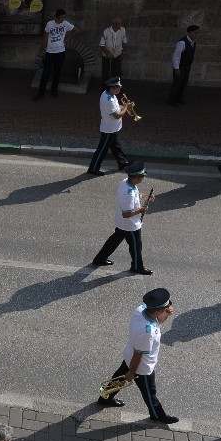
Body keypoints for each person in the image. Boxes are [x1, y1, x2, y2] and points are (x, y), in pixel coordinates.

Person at [97, 288, 179, 425]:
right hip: (142, 367)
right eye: (167, 306)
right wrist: (132, 372)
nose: (169, 307)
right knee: (149, 392)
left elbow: (156, 322)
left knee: (119, 377)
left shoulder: (140, 310)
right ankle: (157, 415)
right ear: (158, 311)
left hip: (129, 356)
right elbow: (139, 353)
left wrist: (166, 314)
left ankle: (105, 398)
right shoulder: (147, 332)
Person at [91, 161, 153, 275]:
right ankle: (136, 267)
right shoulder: (128, 192)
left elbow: (134, 195)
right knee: (136, 246)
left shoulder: (126, 182)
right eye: (142, 176)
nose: (143, 178)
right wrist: (141, 210)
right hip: (130, 225)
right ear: (136, 177)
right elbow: (127, 214)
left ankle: (99, 259)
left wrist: (145, 196)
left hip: (122, 223)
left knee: (114, 241)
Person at [85, 76, 133, 175]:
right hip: (109, 129)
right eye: (118, 87)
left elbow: (117, 107)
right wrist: (127, 108)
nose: (120, 89)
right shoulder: (108, 100)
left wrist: (124, 106)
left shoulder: (110, 94)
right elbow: (117, 115)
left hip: (113, 128)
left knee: (116, 147)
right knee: (102, 149)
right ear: (112, 88)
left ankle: (123, 163)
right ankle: (93, 168)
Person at [35, 9, 78, 100]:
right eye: (62, 17)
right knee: (46, 72)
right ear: (57, 17)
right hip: (50, 52)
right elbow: (45, 37)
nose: (63, 19)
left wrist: (67, 39)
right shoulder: (50, 24)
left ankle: (54, 91)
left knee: (57, 72)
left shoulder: (66, 24)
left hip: (60, 52)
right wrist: (42, 48)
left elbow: (76, 30)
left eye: (64, 17)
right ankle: (41, 93)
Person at [168, 25, 200, 106]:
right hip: (180, 67)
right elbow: (176, 56)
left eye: (197, 33)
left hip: (187, 67)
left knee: (183, 83)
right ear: (190, 33)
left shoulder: (193, 42)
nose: (197, 35)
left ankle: (179, 97)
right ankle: (172, 100)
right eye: (195, 33)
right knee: (177, 84)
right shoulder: (182, 43)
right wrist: (176, 69)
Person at [99, 17, 128, 84]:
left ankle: (114, 87)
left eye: (120, 24)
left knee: (116, 72)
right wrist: (108, 53)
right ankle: (105, 88)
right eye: (118, 24)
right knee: (106, 72)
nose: (120, 26)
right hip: (106, 55)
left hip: (118, 54)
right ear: (113, 24)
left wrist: (123, 53)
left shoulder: (123, 30)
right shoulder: (106, 31)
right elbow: (102, 44)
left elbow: (124, 42)